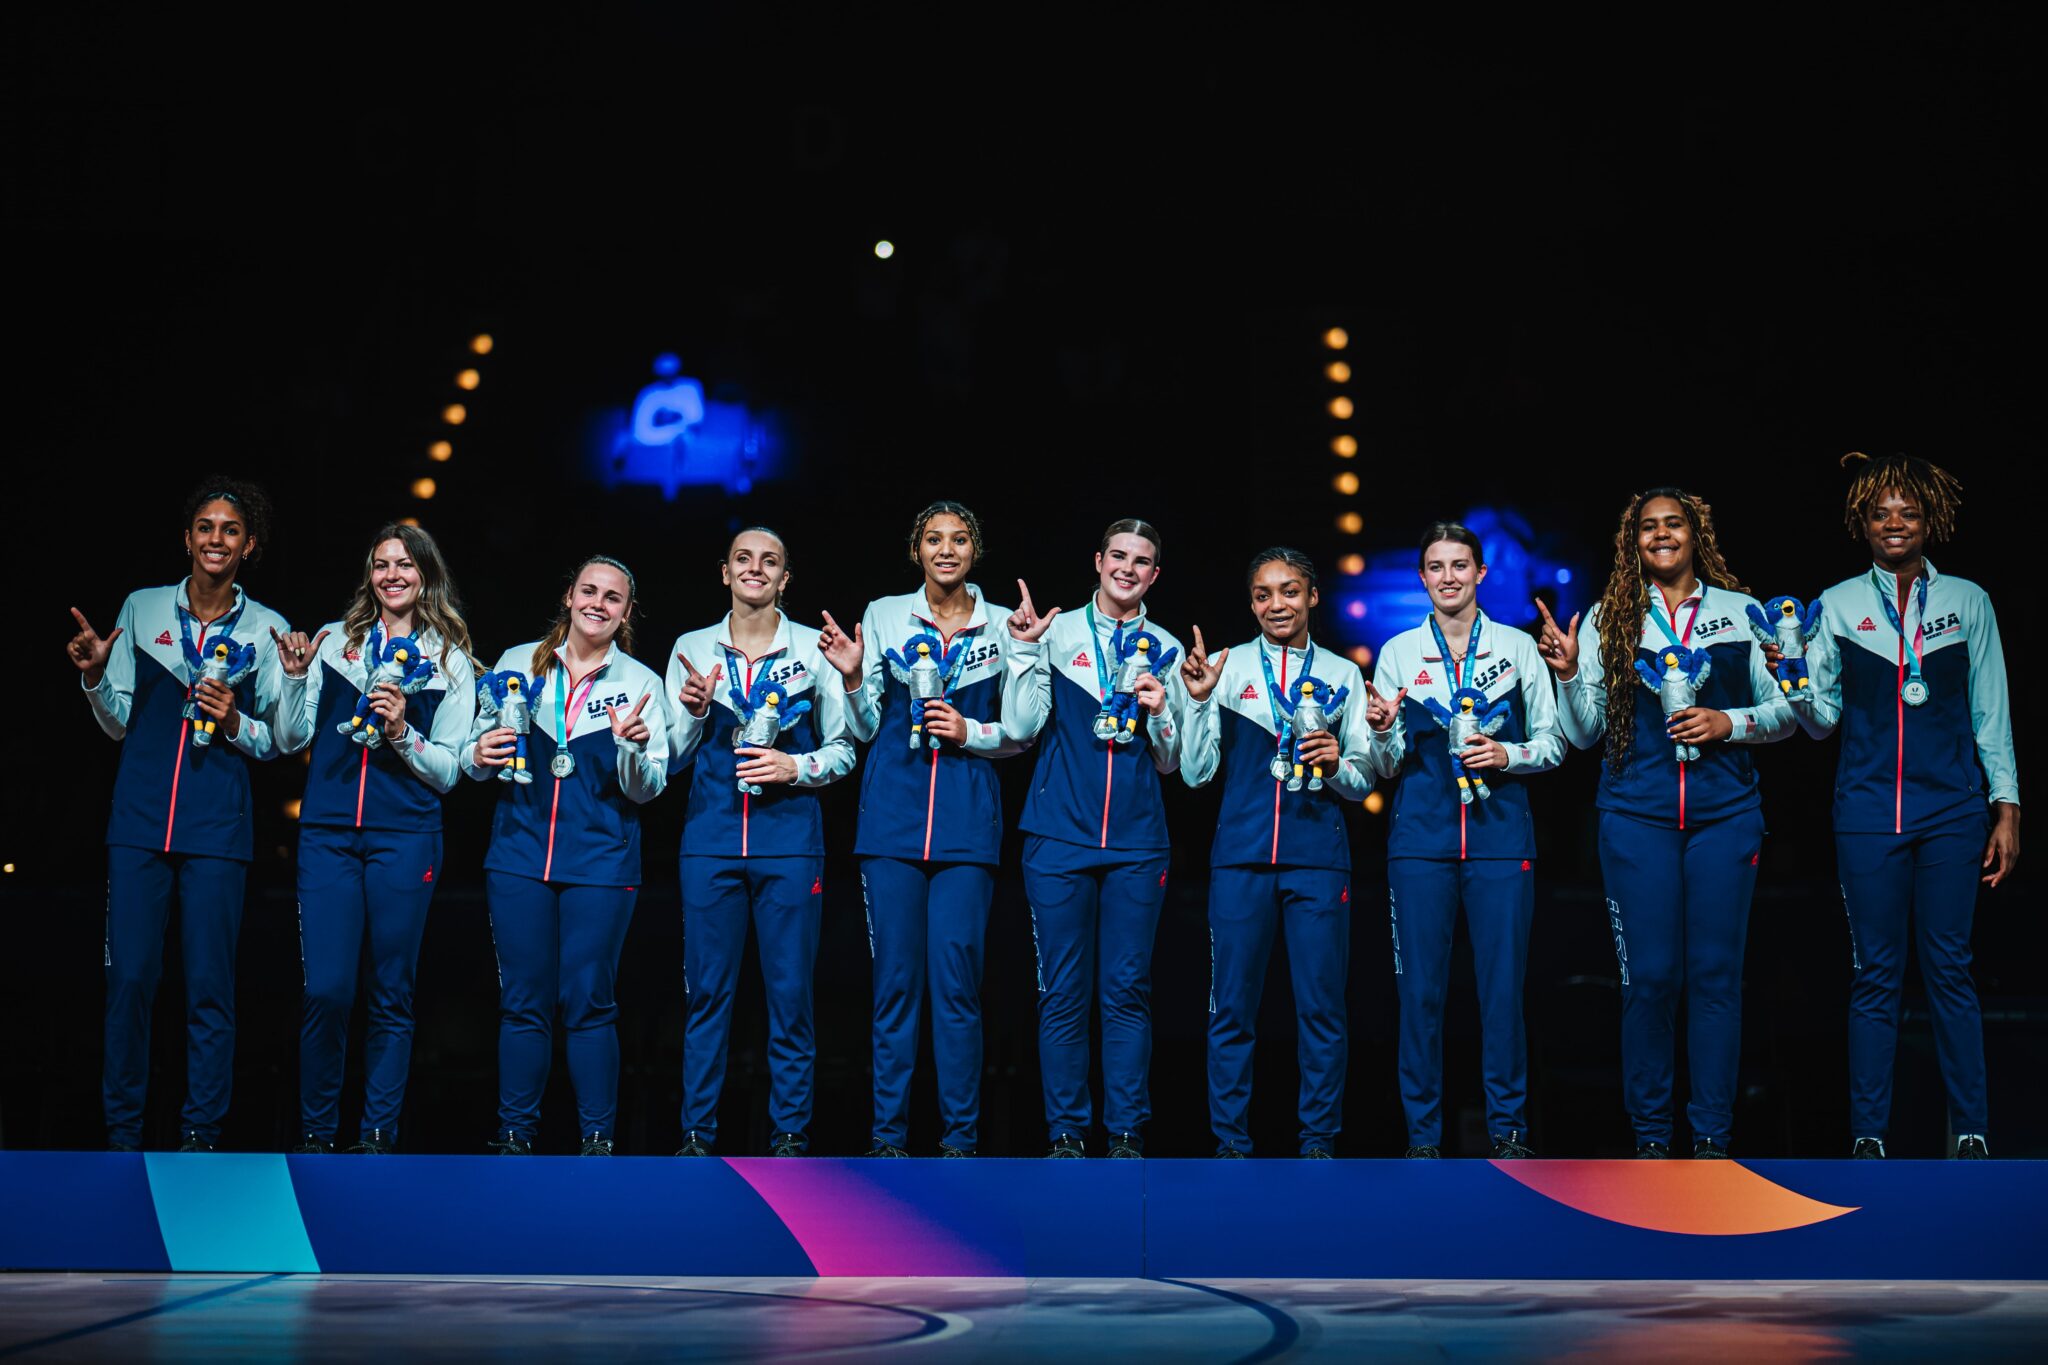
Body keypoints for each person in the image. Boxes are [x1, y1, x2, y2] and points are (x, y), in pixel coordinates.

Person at [1535, 488, 1794, 1158]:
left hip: (1726, 819)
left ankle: (1711, 1135)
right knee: (1649, 978)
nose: (1660, 534)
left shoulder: (1743, 613)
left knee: (1714, 977)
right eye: (1648, 526)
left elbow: (1787, 712)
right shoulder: (1608, 618)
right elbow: (1585, 734)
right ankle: (1651, 1138)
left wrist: (1726, 722)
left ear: (1696, 532)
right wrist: (1566, 675)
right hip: (1636, 818)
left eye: (1672, 522)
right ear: (1634, 541)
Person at [1786, 452, 2018, 1159]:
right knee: (1875, 974)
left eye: (1908, 512)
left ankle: (1971, 1132)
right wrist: (1791, 675)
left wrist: (2007, 806)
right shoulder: (1837, 605)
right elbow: (1820, 719)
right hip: (1865, 814)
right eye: (1882, 512)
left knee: (1949, 966)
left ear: (1930, 522)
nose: (1895, 522)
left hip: (1953, 811)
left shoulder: (1969, 601)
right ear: (1863, 521)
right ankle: (1868, 1136)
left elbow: (1991, 711)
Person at [68, 477, 289, 1152]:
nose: (214, 538)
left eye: (228, 529)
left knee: (209, 987)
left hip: (218, 830)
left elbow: (275, 740)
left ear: (248, 544)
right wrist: (95, 675)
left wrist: (233, 722)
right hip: (137, 824)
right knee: (130, 978)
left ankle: (200, 1131)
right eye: (204, 526)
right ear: (187, 537)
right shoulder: (142, 609)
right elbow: (116, 724)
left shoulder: (267, 628)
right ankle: (123, 1132)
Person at [817, 501, 1028, 1157]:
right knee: (896, 987)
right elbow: (858, 724)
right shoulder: (883, 614)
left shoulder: (1003, 623)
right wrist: (853, 677)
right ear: (917, 550)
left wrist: (974, 728)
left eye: (959, 538)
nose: (946, 549)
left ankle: (961, 1140)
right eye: (933, 538)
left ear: (975, 549)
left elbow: (1022, 732)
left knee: (958, 988)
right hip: (891, 825)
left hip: (968, 825)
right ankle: (888, 1139)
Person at [274, 523, 477, 1155]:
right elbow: (288, 737)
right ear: (369, 574)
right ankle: (315, 1133)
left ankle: (378, 1135)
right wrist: (290, 679)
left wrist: (400, 735)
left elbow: (450, 770)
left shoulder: (450, 658)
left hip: (406, 835)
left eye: (406, 565)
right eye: (382, 564)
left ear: (426, 577)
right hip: (328, 835)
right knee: (326, 990)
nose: (393, 575)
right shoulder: (333, 644)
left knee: (392, 991)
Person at [1367, 522, 1563, 1159]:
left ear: (1481, 574)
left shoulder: (1517, 648)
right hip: (1420, 844)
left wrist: (1505, 754)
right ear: (1421, 577)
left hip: (1501, 841)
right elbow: (1389, 763)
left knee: (1502, 992)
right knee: (1419, 994)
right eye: (1435, 566)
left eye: (1459, 565)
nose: (1448, 577)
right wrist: (1380, 731)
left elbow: (1554, 744)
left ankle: (1508, 1133)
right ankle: (1423, 1140)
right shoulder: (1397, 651)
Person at [465, 556, 668, 1155]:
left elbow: (647, 787)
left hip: (603, 864)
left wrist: (631, 748)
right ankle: (514, 1136)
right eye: (589, 591)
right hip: (518, 855)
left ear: (627, 612)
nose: (598, 604)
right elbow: (476, 764)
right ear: (569, 596)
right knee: (523, 1001)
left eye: (613, 598)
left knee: (590, 1003)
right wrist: (481, 752)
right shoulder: (517, 663)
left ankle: (598, 1140)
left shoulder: (641, 684)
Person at [1002, 518, 1188, 1158]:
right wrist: (1026, 650)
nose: (1127, 569)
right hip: (1057, 837)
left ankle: (1128, 1133)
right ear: (1098, 561)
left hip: (1138, 844)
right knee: (1062, 990)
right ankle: (1066, 1134)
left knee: (1128, 991)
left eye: (1142, 561)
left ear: (1154, 574)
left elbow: (1173, 764)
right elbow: (1022, 727)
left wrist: (1164, 710)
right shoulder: (1058, 635)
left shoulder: (1167, 647)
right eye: (1118, 556)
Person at [666, 528, 854, 1158]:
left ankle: (791, 1134)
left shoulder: (813, 648)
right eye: (743, 559)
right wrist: (694, 713)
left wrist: (793, 768)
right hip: (710, 841)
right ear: (724, 572)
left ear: (785, 577)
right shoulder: (693, 649)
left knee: (790, 994)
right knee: (706, 995)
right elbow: (665, 759)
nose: (755, 568)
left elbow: (843, 749)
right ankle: (696, 1134)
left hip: (791, 843)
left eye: (769, 560)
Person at [1179, 547, 1373, 1158]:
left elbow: (1365, 778)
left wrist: (1339, 763)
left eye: (1289, 591)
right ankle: (1230, 1146)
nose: (1276, 604)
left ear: (1312, 596)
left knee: (1322, 1012)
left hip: (1319, 859)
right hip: (1239, 858)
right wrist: (1203, 701)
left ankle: (1318, 1145)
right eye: (1263, 594)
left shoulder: (1344, 674)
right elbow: (1193, 772)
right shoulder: (1224, 666)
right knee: (1231, 1011)